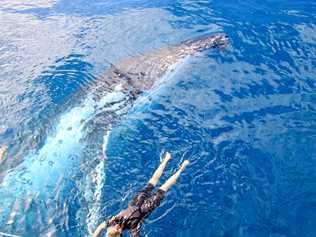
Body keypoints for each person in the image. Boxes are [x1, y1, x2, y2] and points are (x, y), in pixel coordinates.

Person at [92, 152, 190, 237]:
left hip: (135, 202)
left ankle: (166, 160)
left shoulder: (112, 222)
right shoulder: (132, 228)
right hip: (145, 209)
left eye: (114, 227)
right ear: (120, 234)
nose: (117, 226)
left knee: (152, 182)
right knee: (163, 189)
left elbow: (100, 227)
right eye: (118, 230)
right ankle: (182, 168)